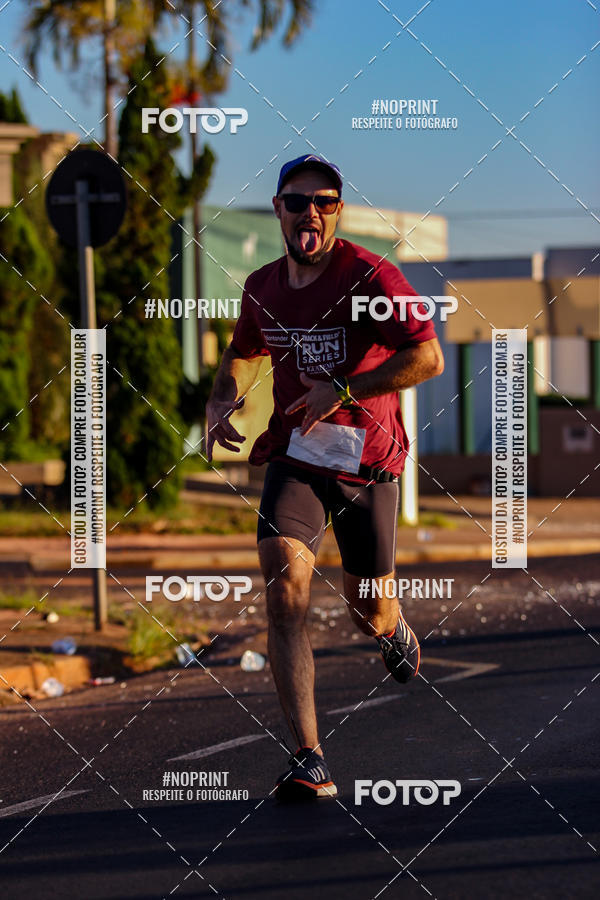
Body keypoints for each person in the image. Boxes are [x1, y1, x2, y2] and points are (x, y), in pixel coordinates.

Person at [206, 154, 444, 801]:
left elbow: (428, 357)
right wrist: (221, 398)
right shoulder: (262, 286)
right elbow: (242, 353)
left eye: (325, 201)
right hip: (297, 458)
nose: (310, 211)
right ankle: (309, 758)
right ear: (278, 210)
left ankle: (391, 628)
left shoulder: (370, 277)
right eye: (297, 201)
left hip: (367, 463)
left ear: (337, 211)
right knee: (284, 588)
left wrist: (342, 389)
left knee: (367, 609)